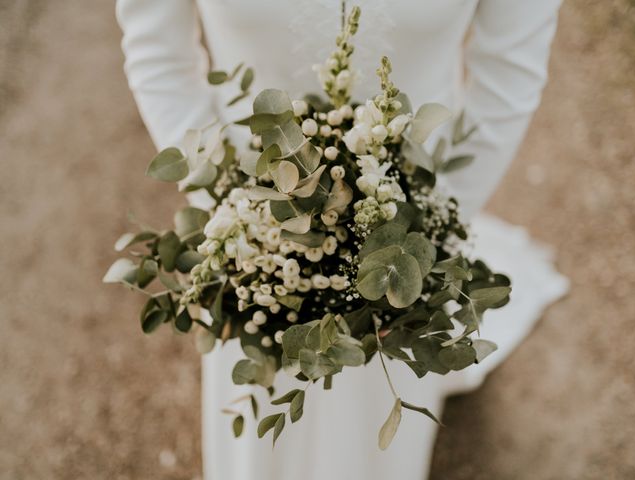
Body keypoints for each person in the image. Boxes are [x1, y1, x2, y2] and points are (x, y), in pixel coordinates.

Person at [116, 2, 568, 479]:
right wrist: (237, 216)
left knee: (377, 417)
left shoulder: (415, 235)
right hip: (253, 236)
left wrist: (425, 233)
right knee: (262, 404)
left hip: (407, 233)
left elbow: (509, 76)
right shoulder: (248, 234)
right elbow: (158, 54)